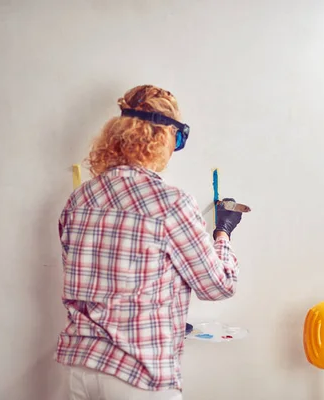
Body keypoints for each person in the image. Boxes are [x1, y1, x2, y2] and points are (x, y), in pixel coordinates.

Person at [54, 84, 244, 400]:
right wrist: (222, 234)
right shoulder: (170, 203)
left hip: (79, 368)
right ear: (163, 138)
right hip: (137, 373)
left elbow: (96, 282)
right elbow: (218, 285)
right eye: (177, 139)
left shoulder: (79, 199)